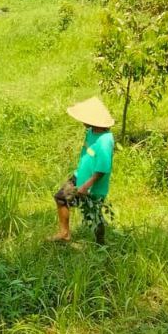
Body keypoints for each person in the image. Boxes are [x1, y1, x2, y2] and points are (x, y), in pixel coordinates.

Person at [53, 97, 115, 244]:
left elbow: (102, 169)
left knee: (94, 214)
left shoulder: (105, 140)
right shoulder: (91, 131)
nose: (82, 122)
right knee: (61, 198)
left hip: (93, 185)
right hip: (79, 177)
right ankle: (64, 234)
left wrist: (86, 186)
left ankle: (101, 244)